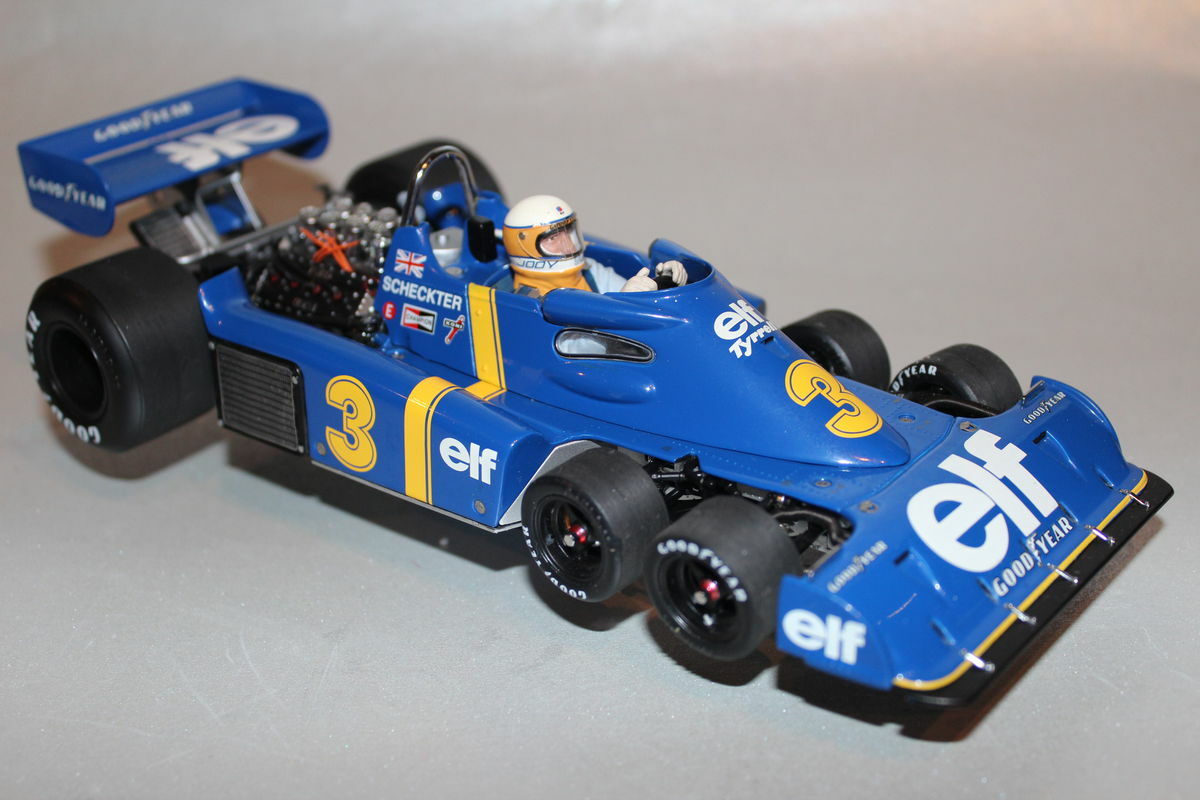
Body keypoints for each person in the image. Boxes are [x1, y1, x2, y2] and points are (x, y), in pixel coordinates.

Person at [501, 195, 686, 295]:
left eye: (568, 233)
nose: (567, 245)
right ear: (523, 248)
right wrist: (622, 304)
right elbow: (576, 344)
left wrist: (664, 282)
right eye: (553, 238)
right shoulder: (529, 302)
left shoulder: (589, 269)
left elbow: (631, 289)